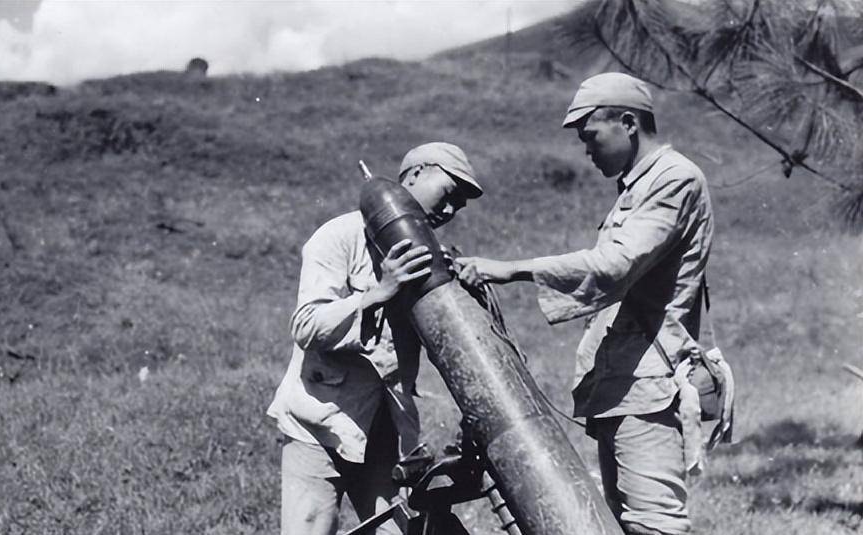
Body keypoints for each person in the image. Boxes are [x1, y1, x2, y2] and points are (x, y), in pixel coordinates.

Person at [456, 72, 714, 535]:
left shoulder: (675, 179)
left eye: (590, 134)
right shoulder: (639, 186)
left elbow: (614, 264)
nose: (586, 149)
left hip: (649, 385)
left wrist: (512, 268)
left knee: (655, 525)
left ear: (628, 122)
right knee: (619, 524)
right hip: (624, 383)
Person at [267, 142, 483, 535]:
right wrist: (377, 292)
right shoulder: (338, 236)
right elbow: (306, 326)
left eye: (460, 205)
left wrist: (461, 293)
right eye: (449, 194)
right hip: (320, 422)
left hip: (384, 430)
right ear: (415, 174)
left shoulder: (430, 253)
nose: (450, 211)